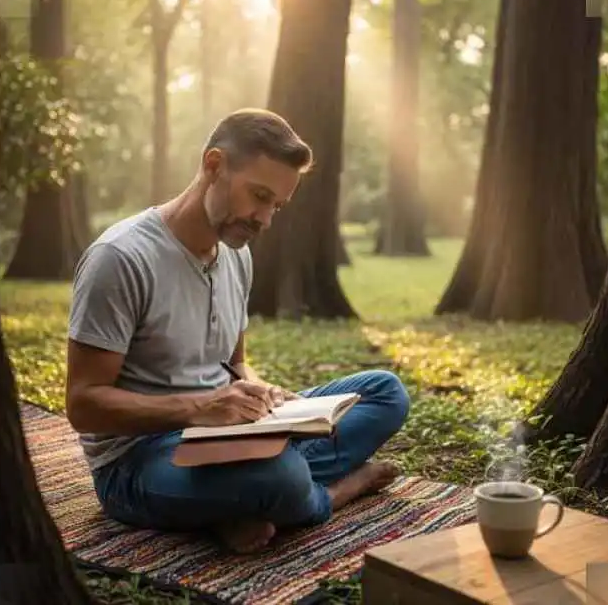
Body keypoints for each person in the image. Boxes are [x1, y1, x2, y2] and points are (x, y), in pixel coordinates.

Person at [65, 108, 410, 553]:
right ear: (214, 165)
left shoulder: (236, 255)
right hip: (139, 459)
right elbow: (84, 404)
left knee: (385, 393)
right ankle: (331, 493)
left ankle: (241, 503)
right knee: (281, 476)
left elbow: (236, 364)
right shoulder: (120, 258)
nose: (265, 219)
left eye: (276, 206)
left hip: (229, 435)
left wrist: (265, 395)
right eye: (259, 195)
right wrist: (200, 407)